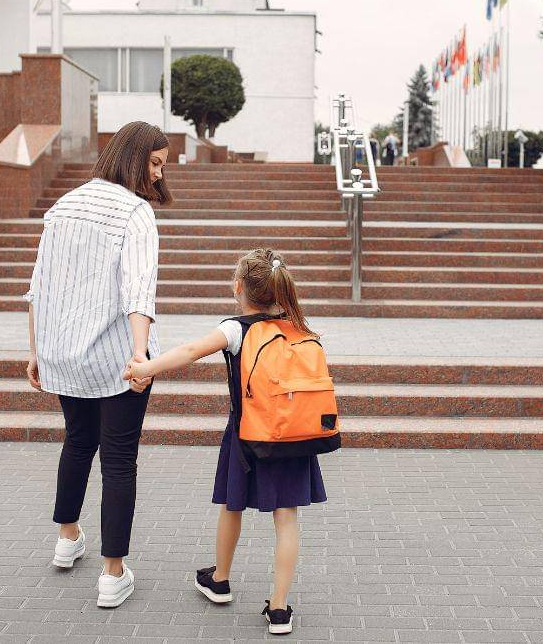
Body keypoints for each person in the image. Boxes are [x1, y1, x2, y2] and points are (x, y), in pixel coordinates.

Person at [124, 248, 328, 635]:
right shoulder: (297, 326)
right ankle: (280, 609)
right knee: (286, 518)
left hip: (248, 434)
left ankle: (220, 579)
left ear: (239, 288)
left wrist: (144, 367)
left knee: (232, 505)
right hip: (294, 435)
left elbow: (189, 351)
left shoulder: (237, 328)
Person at [25, 121, 172, 608]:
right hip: (113, 359)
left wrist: (35, 350)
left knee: (78, 441)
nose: (156, 176)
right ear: (132, 158)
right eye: (153, 164)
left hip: (63, 354)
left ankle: (67, 539)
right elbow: (138, 291)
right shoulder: (135, 214)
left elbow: (38, 287)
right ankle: (113, 573)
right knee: (118, 459)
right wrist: (140, 356)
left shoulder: (62, 206)